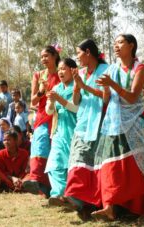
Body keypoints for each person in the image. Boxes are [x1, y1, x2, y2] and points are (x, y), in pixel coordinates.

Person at [92, 34, 144, 220]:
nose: (116, 45)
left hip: (135, 123)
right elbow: (107, 99)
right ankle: (110, 206)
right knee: (111, 165)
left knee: (134, 165)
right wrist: (104, 89)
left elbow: (132, 97)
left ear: (131, 46)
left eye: (121, 42)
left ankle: (133, 207)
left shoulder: (140, 68)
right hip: (113, 123)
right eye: (115, 42)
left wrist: (111, 84)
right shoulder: (113, 68)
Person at [61, 39, 109, 219]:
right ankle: (76, 197)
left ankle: (91, 202)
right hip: (82, 123)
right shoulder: (80, 72)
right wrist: (77, 88)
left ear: (88, 52)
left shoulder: (106, 70)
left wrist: (83, 86)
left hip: (99, 123)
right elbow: (76, 101)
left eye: (79, 53)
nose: (77, 57)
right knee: (77, 158)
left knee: (94, 164)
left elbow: (106, 98)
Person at [26, 45, 61, 197]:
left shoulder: (63, 72)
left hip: (60, 117)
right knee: (40, 148)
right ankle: (38, 183)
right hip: (42, 118)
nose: (43, 59)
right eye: (41, 57)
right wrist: (41, 91)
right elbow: (33, 101)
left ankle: (56, 188)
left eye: (46, 56)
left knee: (57, 152)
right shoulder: (38, 75)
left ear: (55, 56)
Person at [44, 58, 78, 204]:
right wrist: (51, 101)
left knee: (72, 164)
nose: (60, 72)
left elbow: (76, 108)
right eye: (59, 69)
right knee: (54, 163)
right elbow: (49, 112)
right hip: (59, 131)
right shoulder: (56, 88)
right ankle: (58, 193)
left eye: (64, 68)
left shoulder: (78, 87)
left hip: (75, 130)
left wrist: (60, 99)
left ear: (73, 70)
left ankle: (72, 195)